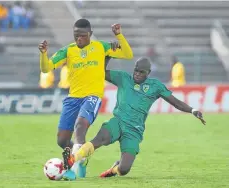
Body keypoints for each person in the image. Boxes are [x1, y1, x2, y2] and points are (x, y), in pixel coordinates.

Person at [62, 57, 206, 179]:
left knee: (124, 170)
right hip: (117, 122)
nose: (137, 74)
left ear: (148, 73)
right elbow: (101, 72)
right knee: (99, 139)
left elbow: (175, 102)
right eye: (136, 70)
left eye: (141, 72)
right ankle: (73, 159)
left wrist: (193, 110)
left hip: (134, 131)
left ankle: (113, 170)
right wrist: (107, 57)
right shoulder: (124, 78)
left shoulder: (155, 86)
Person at [38, 18, 133, 179]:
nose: (79, 39)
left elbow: (128, 54)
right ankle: (82, 157)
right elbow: (46, 68)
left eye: (82, 36)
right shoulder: (68, 51)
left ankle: (72, 170)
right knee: (62, 141)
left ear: (90, 34)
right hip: (73, 98)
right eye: (76, 36)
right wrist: (44, 54)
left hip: (92, 96)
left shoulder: (101, 47)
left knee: (80, 125)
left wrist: (119, 36)